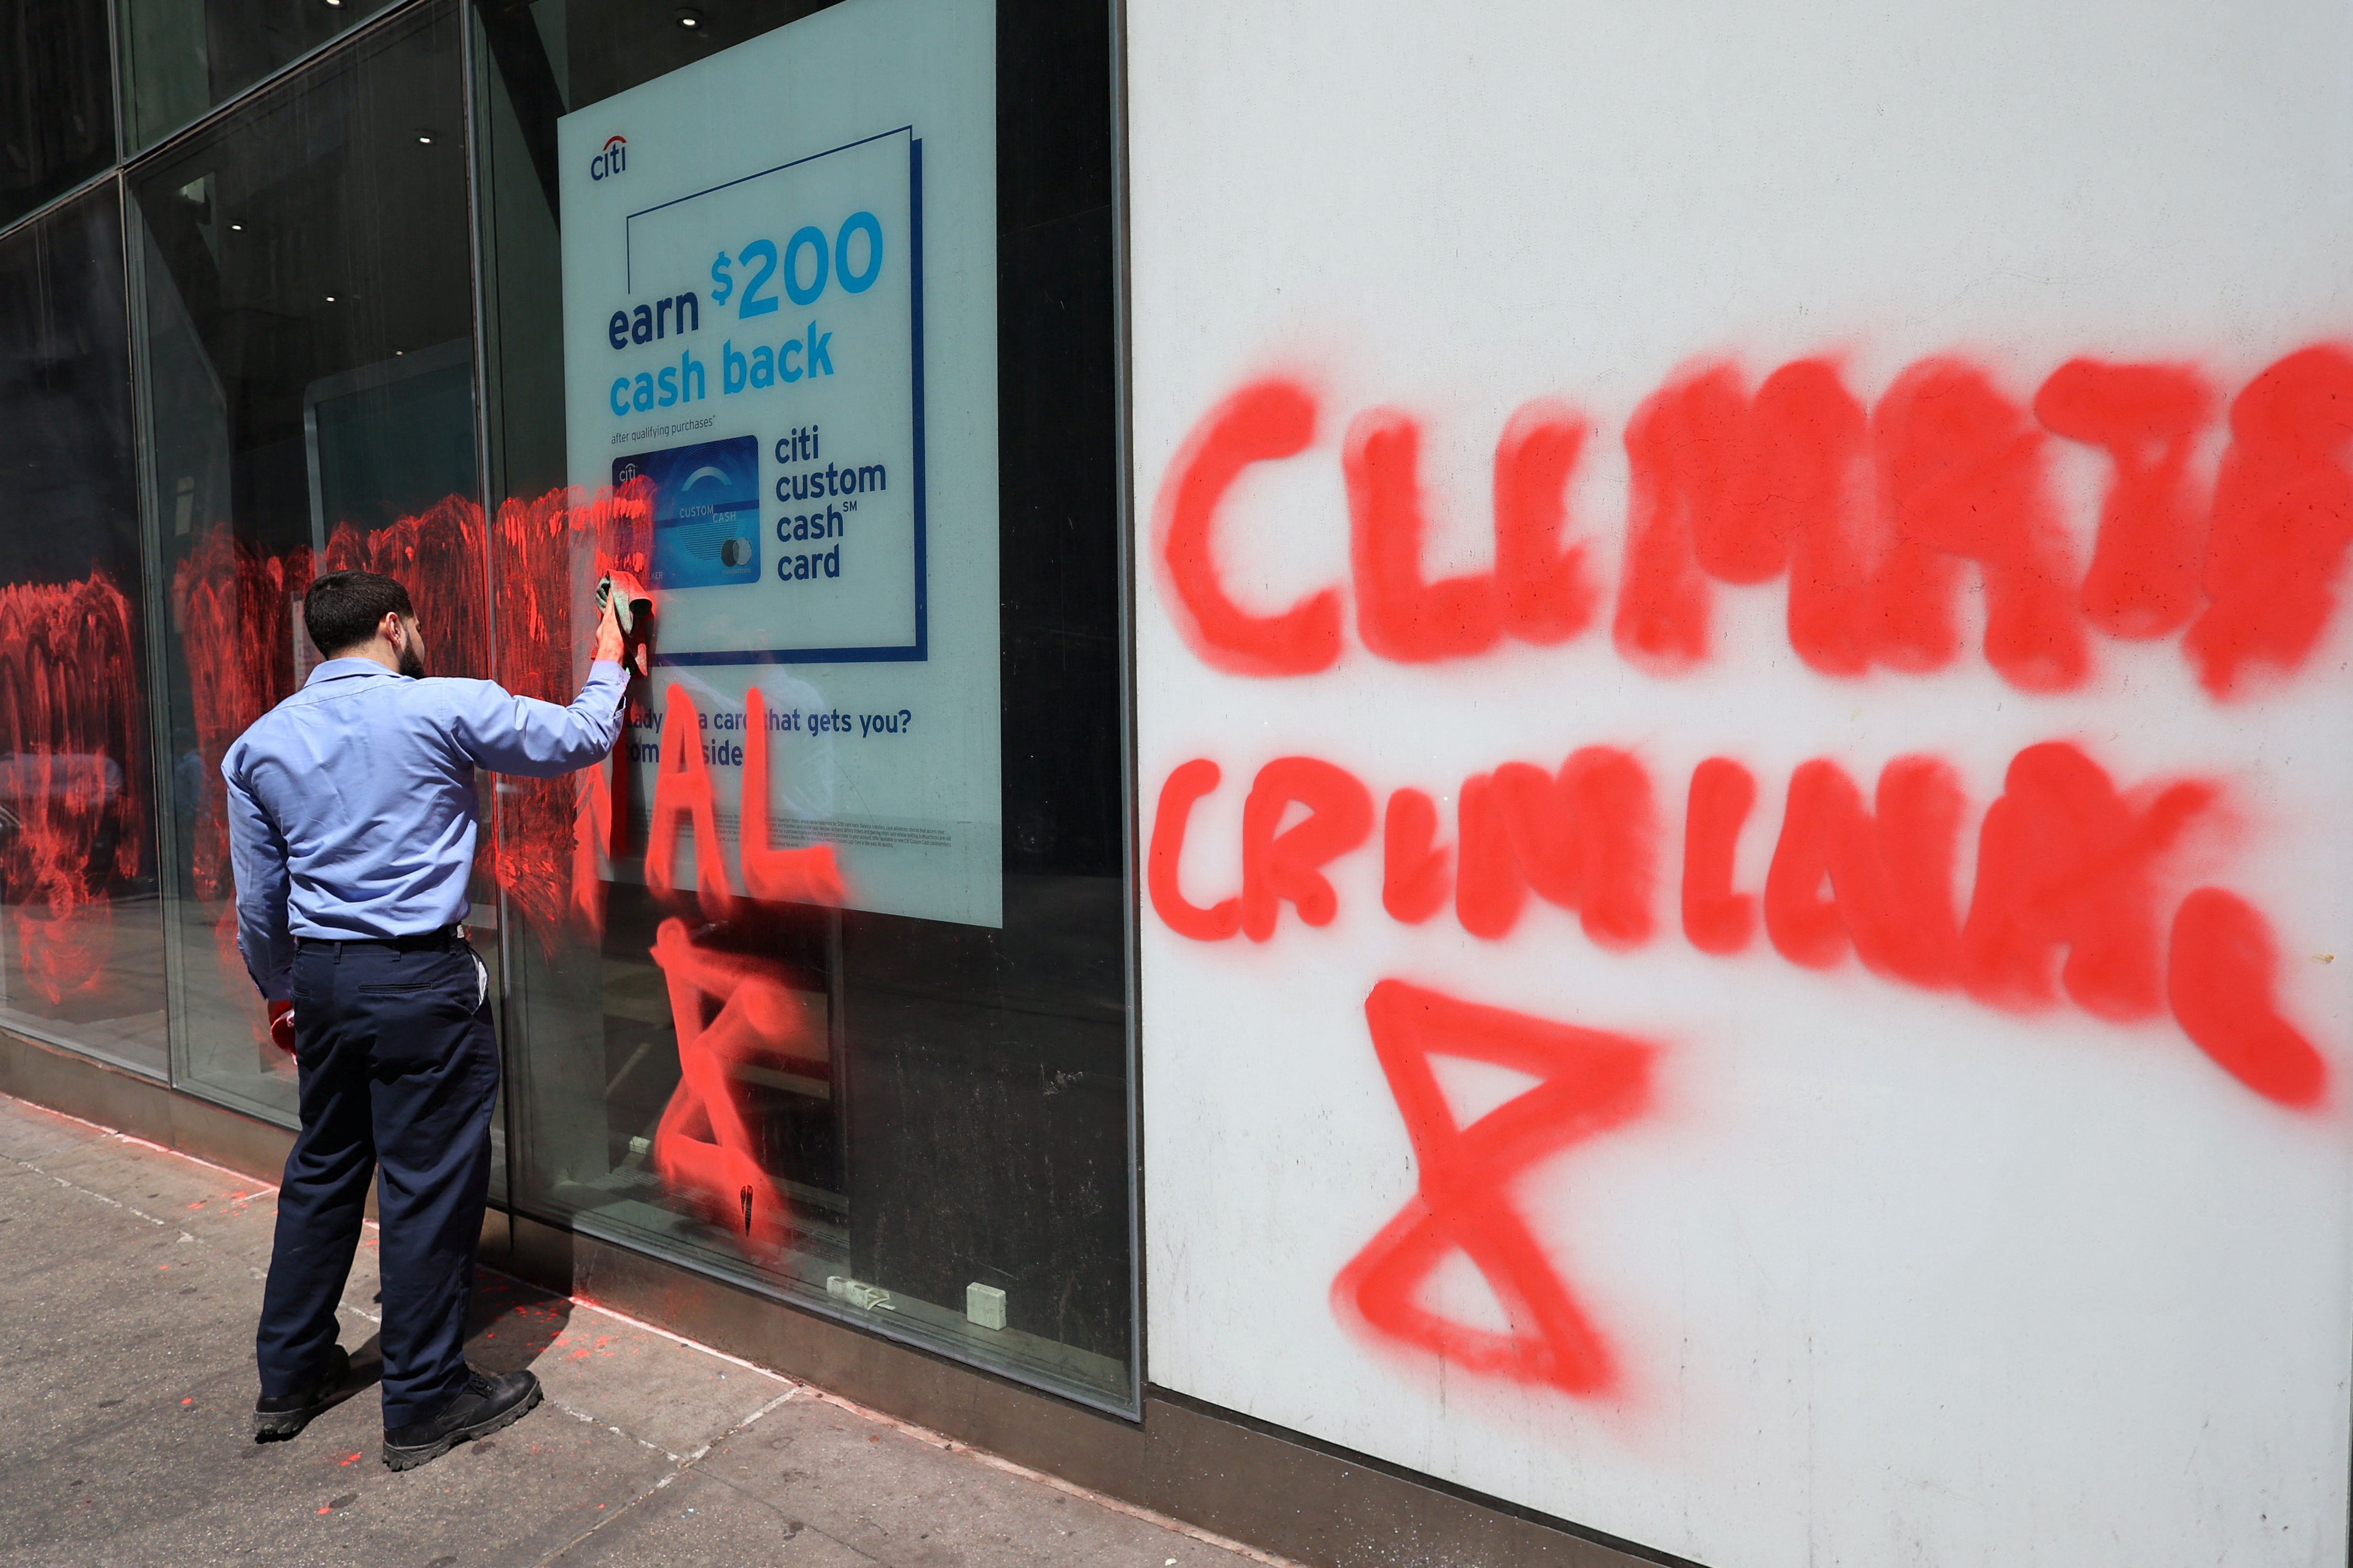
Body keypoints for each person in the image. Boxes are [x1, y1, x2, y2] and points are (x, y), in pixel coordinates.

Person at [225, 568, 628, 1470]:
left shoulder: (258, 746)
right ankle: (424, 1398)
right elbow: (583, 734)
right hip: (417, 981)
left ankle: (289, 1376)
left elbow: (260, 903)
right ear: (395, 625)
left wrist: (283, 992)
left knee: (324, 1170)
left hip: (324, 979)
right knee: (428, 1182)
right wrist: (612, 650)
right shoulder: (439, 705)